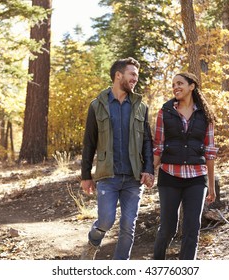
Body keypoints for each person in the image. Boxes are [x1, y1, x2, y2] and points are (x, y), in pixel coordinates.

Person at [80, 57, 154, 260]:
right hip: (108, 175)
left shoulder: (140, 106)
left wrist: (149, 169)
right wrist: (85, 175)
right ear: (118, 75)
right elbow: (89, 142)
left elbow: (147, 141)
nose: (135, 79)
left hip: (133, 177)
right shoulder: (97, 105)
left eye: (137, 76)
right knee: (105, 221)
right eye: (132, 74)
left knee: (128, 227)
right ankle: (93, 242)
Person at [152, 72, 218, 260]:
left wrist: (211, 186)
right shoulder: (165, 112)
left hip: (197, 179)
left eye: (180, 83)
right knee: (167, 228)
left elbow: (210, 152)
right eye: (173, 85)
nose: (175, 87)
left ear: (192, 86)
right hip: (169, 176)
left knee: (192, 229)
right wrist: (149, 173)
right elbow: (158, 147)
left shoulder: (205, 116)